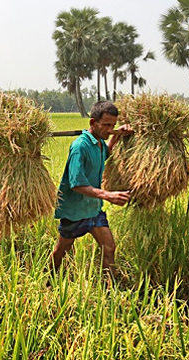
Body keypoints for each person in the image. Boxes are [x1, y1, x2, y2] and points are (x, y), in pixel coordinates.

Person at [50, 101, 132, 280]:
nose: (110, 130)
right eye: (106, 125)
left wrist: (118, 135)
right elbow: (76, 183)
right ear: (93, 123)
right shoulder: (80, 147)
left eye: (113, 126)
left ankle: (109, 288)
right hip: (74, 211)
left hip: (93, 209)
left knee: (109, 247)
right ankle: (48, 280)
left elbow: (105, 155)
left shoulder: (100, 143)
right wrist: (107, 195)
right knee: (62, 250)